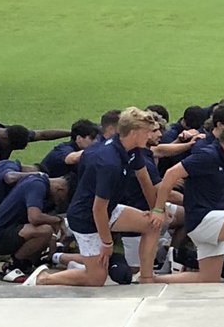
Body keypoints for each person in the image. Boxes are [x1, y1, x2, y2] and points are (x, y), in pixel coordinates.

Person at [23, 108, 167, 286]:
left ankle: (146, 277)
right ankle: (44, 278)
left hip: (108, 209)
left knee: (152, 224)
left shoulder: (131, 149)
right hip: (86, 218)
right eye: (148, 132)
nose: (152, 136)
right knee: (96, 278)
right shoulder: (109, 162)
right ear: (134, 133)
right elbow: (98, 209)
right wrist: (107, 243)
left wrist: (155, 210)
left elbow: (145, 181)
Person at [149, 118, 224, 284]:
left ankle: (152, 280)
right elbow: (171, 174)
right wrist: (158, 209)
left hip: (206, 219)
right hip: (202, 218)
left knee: (208, 279)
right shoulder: (208, 156)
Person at [0, 172, 71, 282]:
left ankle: (27, 263)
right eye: (61, 199)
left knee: (47, 233)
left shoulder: (35, 180)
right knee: (45, 231)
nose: (58, 202)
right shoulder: (38, 185)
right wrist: (58, 220)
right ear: (60, 189)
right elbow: (34, 217)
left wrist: (52, 237)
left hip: (7, 231)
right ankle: (13, 265)